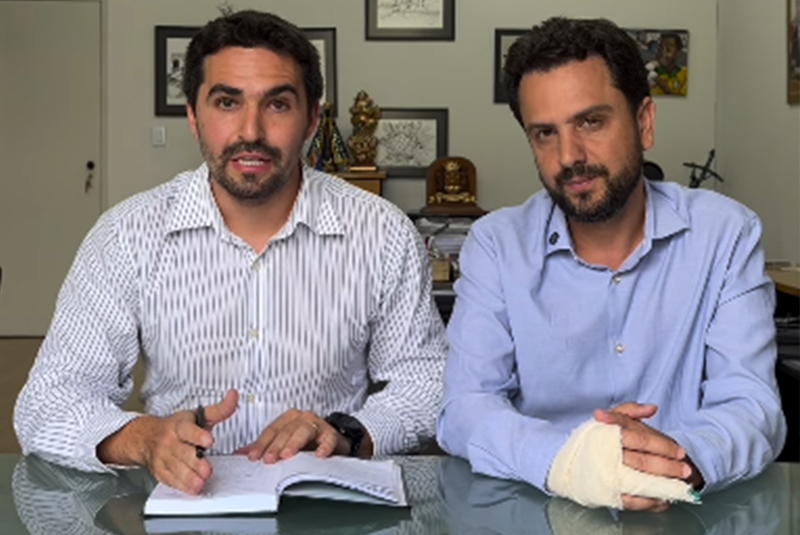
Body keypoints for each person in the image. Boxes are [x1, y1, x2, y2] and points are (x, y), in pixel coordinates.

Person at [14, 10, 447, 496]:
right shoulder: (126, 235)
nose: (251, 131)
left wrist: (346, 433)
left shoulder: (383, 232)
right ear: (193, 116)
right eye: (227, 102)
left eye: (278, 104)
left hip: (331, 507)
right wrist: (143, 439)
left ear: (311, 119)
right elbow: (47, 403)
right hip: (183, 506)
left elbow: (428, 383)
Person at [436, 16, 785, 512]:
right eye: (545, 133)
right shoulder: (496, 245)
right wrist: (575, 462)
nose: (569, 156)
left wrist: (678, 461)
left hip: (685, 512)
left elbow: (752, 406)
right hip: (538, 509)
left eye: (591, 122)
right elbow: (464, 409)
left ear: (644, 122)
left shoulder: (725, 233)